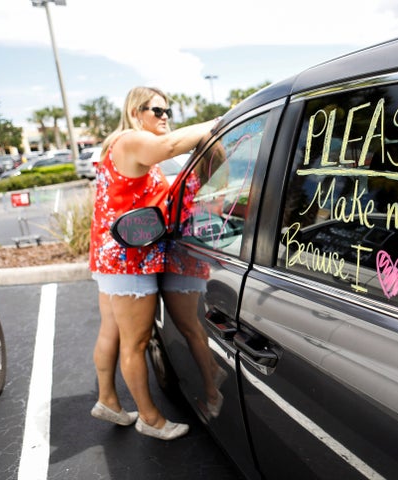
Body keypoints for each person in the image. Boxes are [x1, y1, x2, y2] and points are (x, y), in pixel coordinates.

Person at [89, 86, 220, 440]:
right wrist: (222, 121)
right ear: (136, 112)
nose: (165, 117)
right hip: (127, 259)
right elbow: (170, 147)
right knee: (136, 341)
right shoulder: (131, 140)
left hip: (111, 255)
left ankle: (108, 400)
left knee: (112, 332)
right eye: (156, 111)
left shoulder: (119, 146)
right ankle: (150, 418)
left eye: (167, 111)